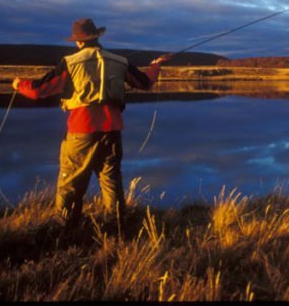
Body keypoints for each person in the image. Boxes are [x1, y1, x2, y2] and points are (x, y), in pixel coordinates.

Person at [12, 18, 171, 229]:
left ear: (78, 41)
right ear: (97, 36)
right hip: (112, 130)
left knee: (71, 183)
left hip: (81, 131)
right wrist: (155, 65)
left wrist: (18, 84)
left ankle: (66, 229)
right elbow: (145, 83)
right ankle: (115, 230)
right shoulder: (120, 61)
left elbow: (38, 90)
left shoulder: (70, 62)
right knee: (111, 181)